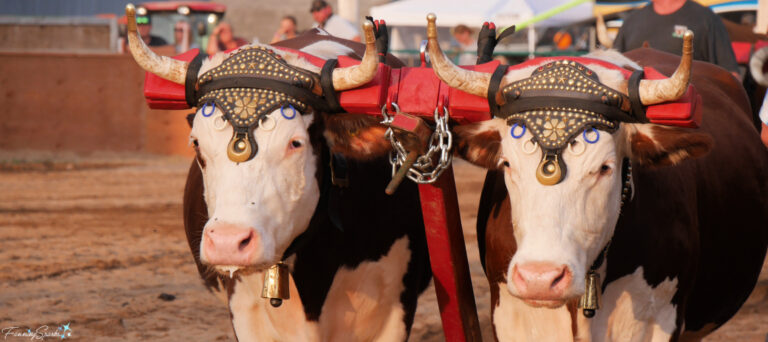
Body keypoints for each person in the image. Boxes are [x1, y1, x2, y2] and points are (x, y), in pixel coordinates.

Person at [613, 0, 740, 79]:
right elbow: (613, 69)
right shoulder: (631, 21)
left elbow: (731, 77)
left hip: (689, 110)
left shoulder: (705, 19)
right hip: (637, 111)